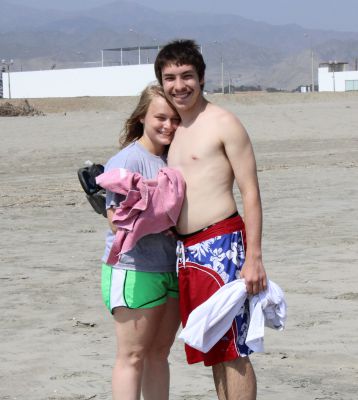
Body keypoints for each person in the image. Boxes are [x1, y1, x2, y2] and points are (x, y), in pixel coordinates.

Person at [154, 40, 268, 400]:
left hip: (223, 244)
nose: (179, 85)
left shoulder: (223, 122)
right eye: (170, 77)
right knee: (214, 349)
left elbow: (251, 191)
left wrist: (254, 257)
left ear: (202, 78)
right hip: (187, 251)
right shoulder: (172, 132)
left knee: (233, 349)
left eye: (187, 76)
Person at [100, 84, 181, 400]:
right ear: (142, 117)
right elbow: (115, 218)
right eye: (161, 117)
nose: (168, 126)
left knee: (160, 352)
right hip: (134, 268)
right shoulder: (127, 161)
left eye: (175, 119)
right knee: (132, 355)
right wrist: (161, 220)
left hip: (171, 267)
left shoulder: (173, 157)